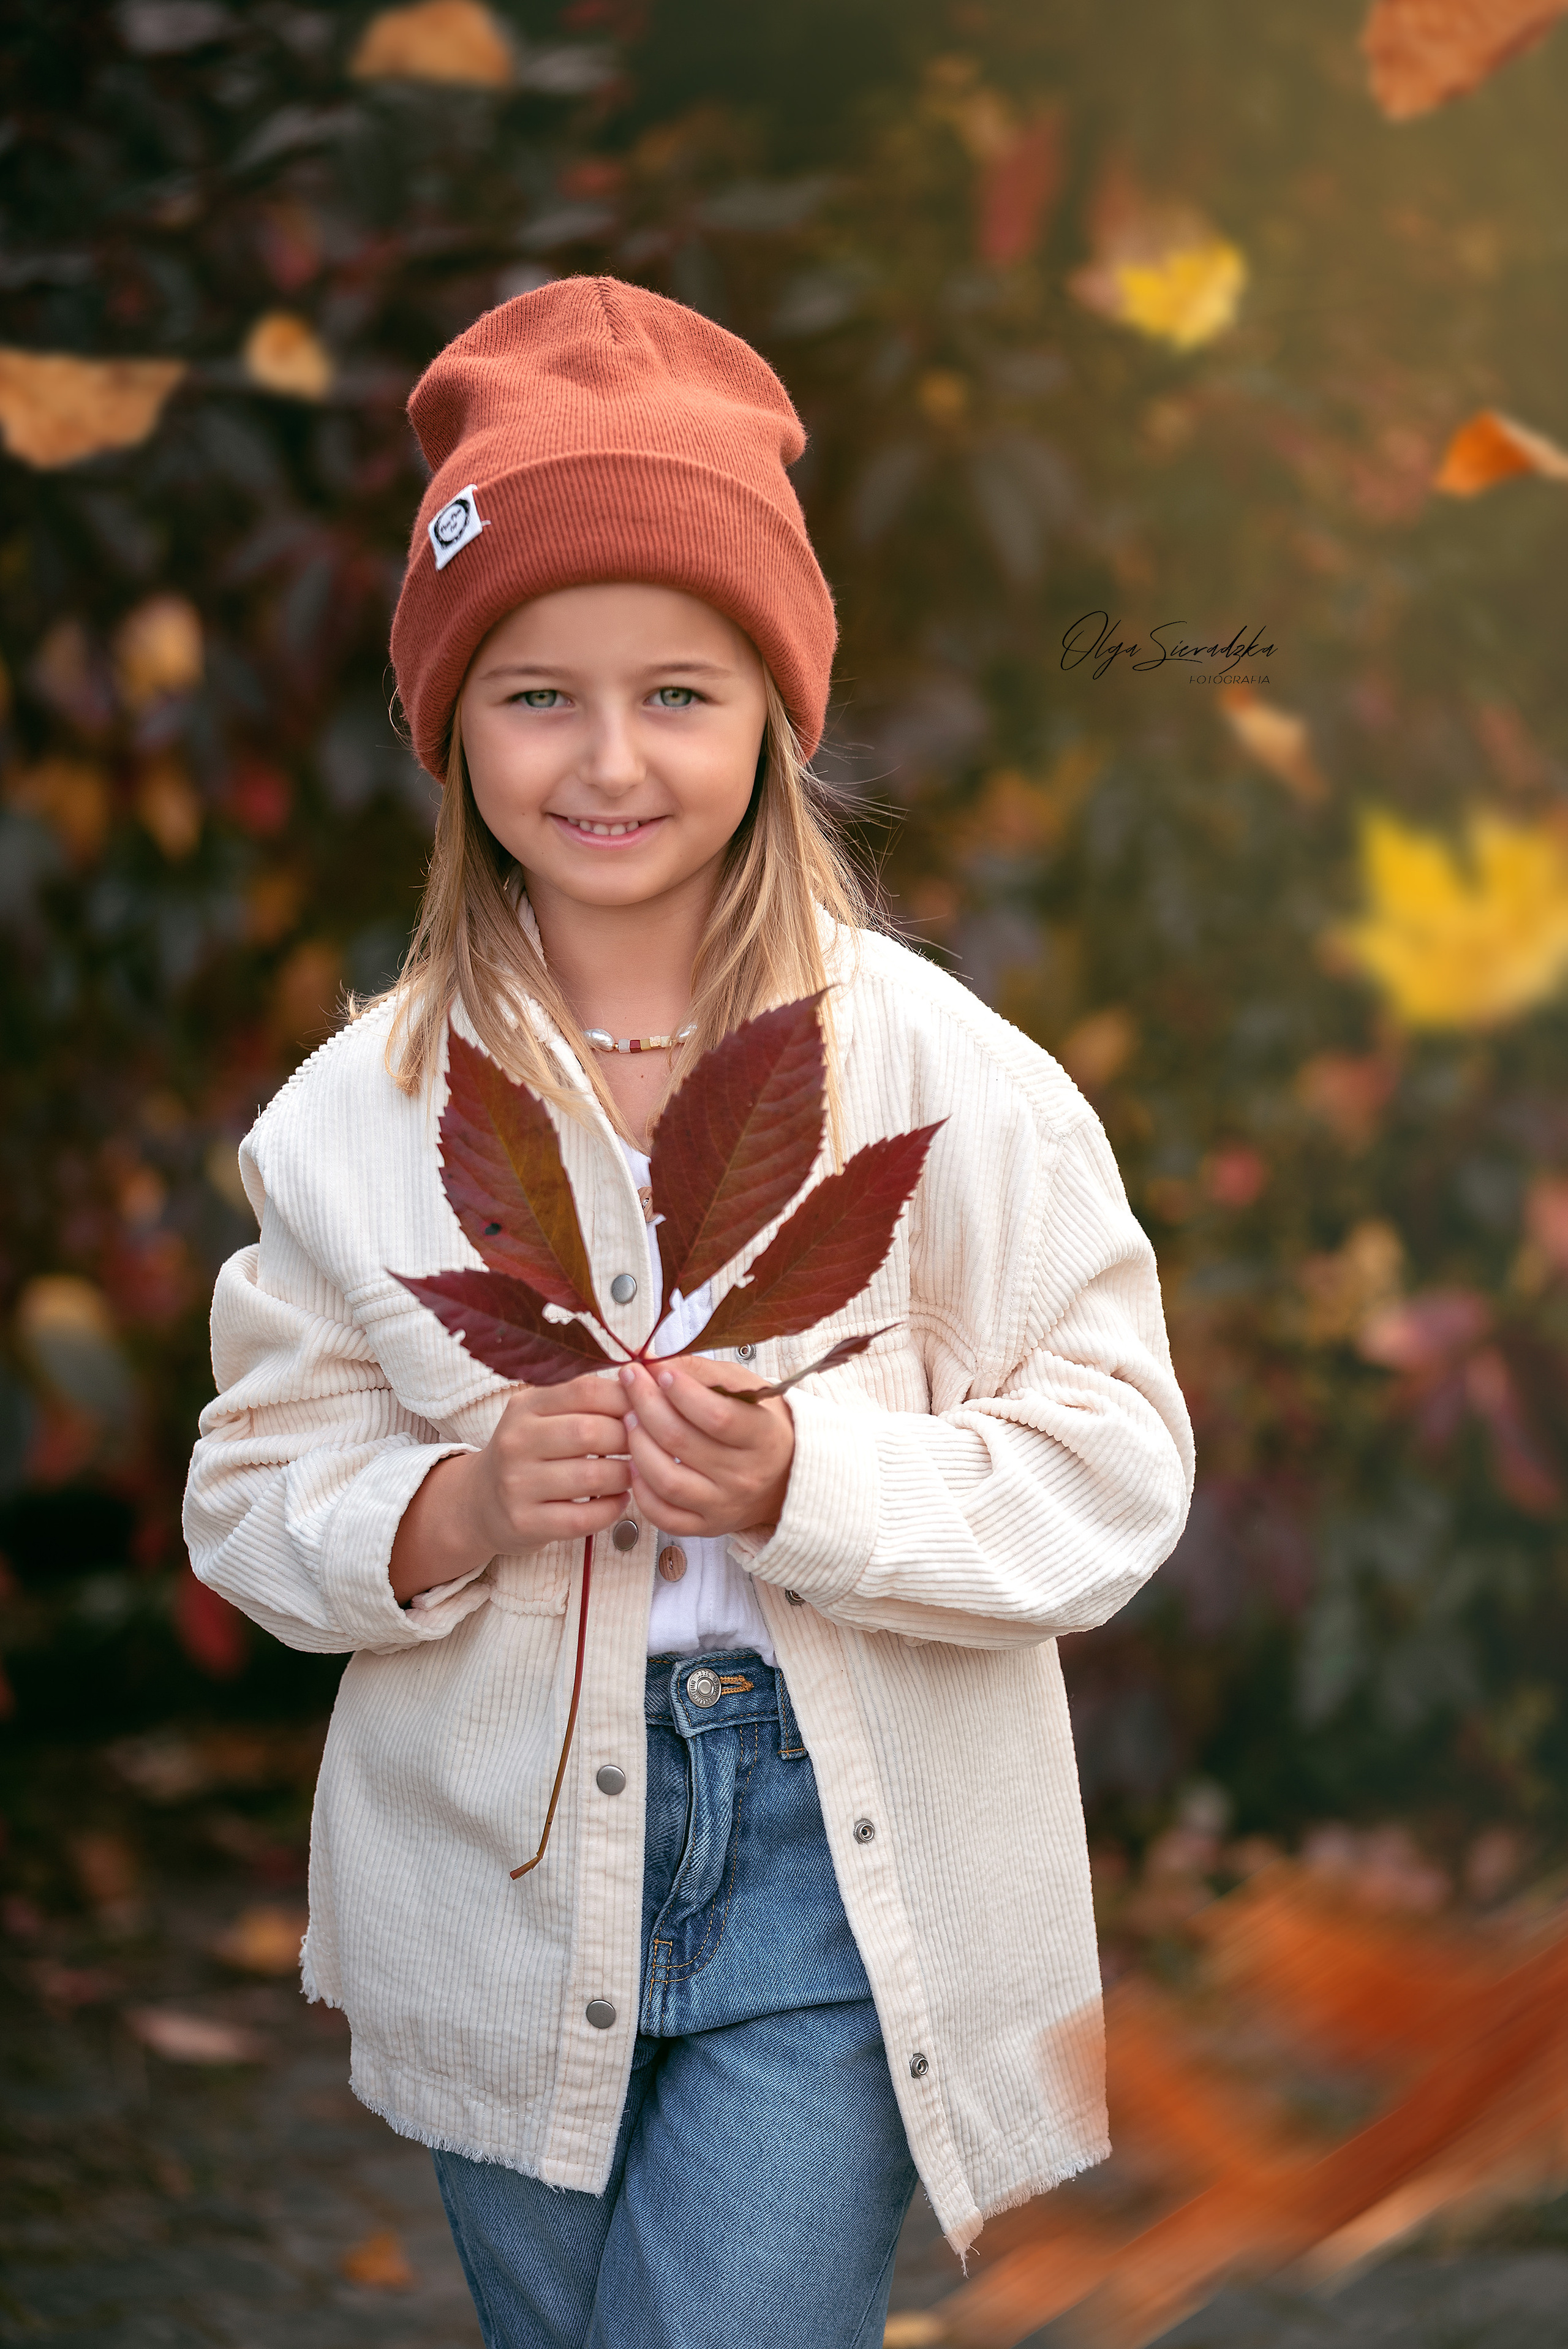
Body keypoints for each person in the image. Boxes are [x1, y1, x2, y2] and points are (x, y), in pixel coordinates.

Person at [183, 277, 1194, 2349]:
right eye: (536, 693)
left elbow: (1114, 1460)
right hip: (501, 1864)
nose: (611, 756)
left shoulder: (934, 1075)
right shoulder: (358, 1119)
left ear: (775, 717)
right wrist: (454, 1505)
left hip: (839, 1854)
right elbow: (252, 1487)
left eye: (681, 692)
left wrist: (808, 1469)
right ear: (451, 722)